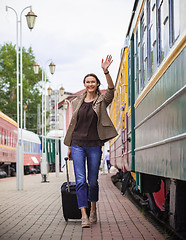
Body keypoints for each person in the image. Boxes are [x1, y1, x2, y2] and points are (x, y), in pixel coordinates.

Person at [64, 55, 118, 228]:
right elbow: (74, 124)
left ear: (97, 84)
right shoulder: (76, 101)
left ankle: (93, 209)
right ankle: (84, 215)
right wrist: (69, 147)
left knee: (92, 181)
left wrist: (106, 71)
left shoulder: (102, 100)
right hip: (77, 144)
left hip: (94, 145)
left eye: (93, 81)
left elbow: (111, 89)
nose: (90, 84)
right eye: (87, 81)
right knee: (80, 181)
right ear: (84, 84)